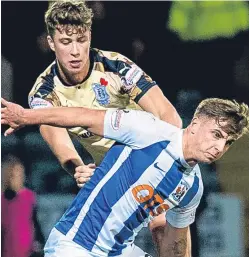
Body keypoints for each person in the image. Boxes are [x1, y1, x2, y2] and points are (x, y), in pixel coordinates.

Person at [2, 97, 249, 257]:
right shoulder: (149, 130)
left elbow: (175, 242)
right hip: (75, 246)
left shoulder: (192, 186)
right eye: (216, 134)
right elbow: (84, 116)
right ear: (194, 123)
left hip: (120, 252)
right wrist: (26, 116)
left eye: (227, 142)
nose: (219, 147)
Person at [26, 1, 182, 187]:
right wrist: (79, 170)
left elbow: (170, 117)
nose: (75, 51)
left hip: (153, 161)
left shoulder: (117, 66)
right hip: (110, 177)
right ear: (51, 43)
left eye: (81, 40)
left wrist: (157, 160)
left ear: (90, 36)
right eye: (66, 42)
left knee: (159, 216)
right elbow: (61, 145)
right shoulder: (43, 94)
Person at [1, 154, 45, 257]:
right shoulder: (2, 198)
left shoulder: (29, 196)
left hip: (26, 250)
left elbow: (35, 222)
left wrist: (39, 242)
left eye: (20, 174)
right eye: (13, 175)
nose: (18, 178)